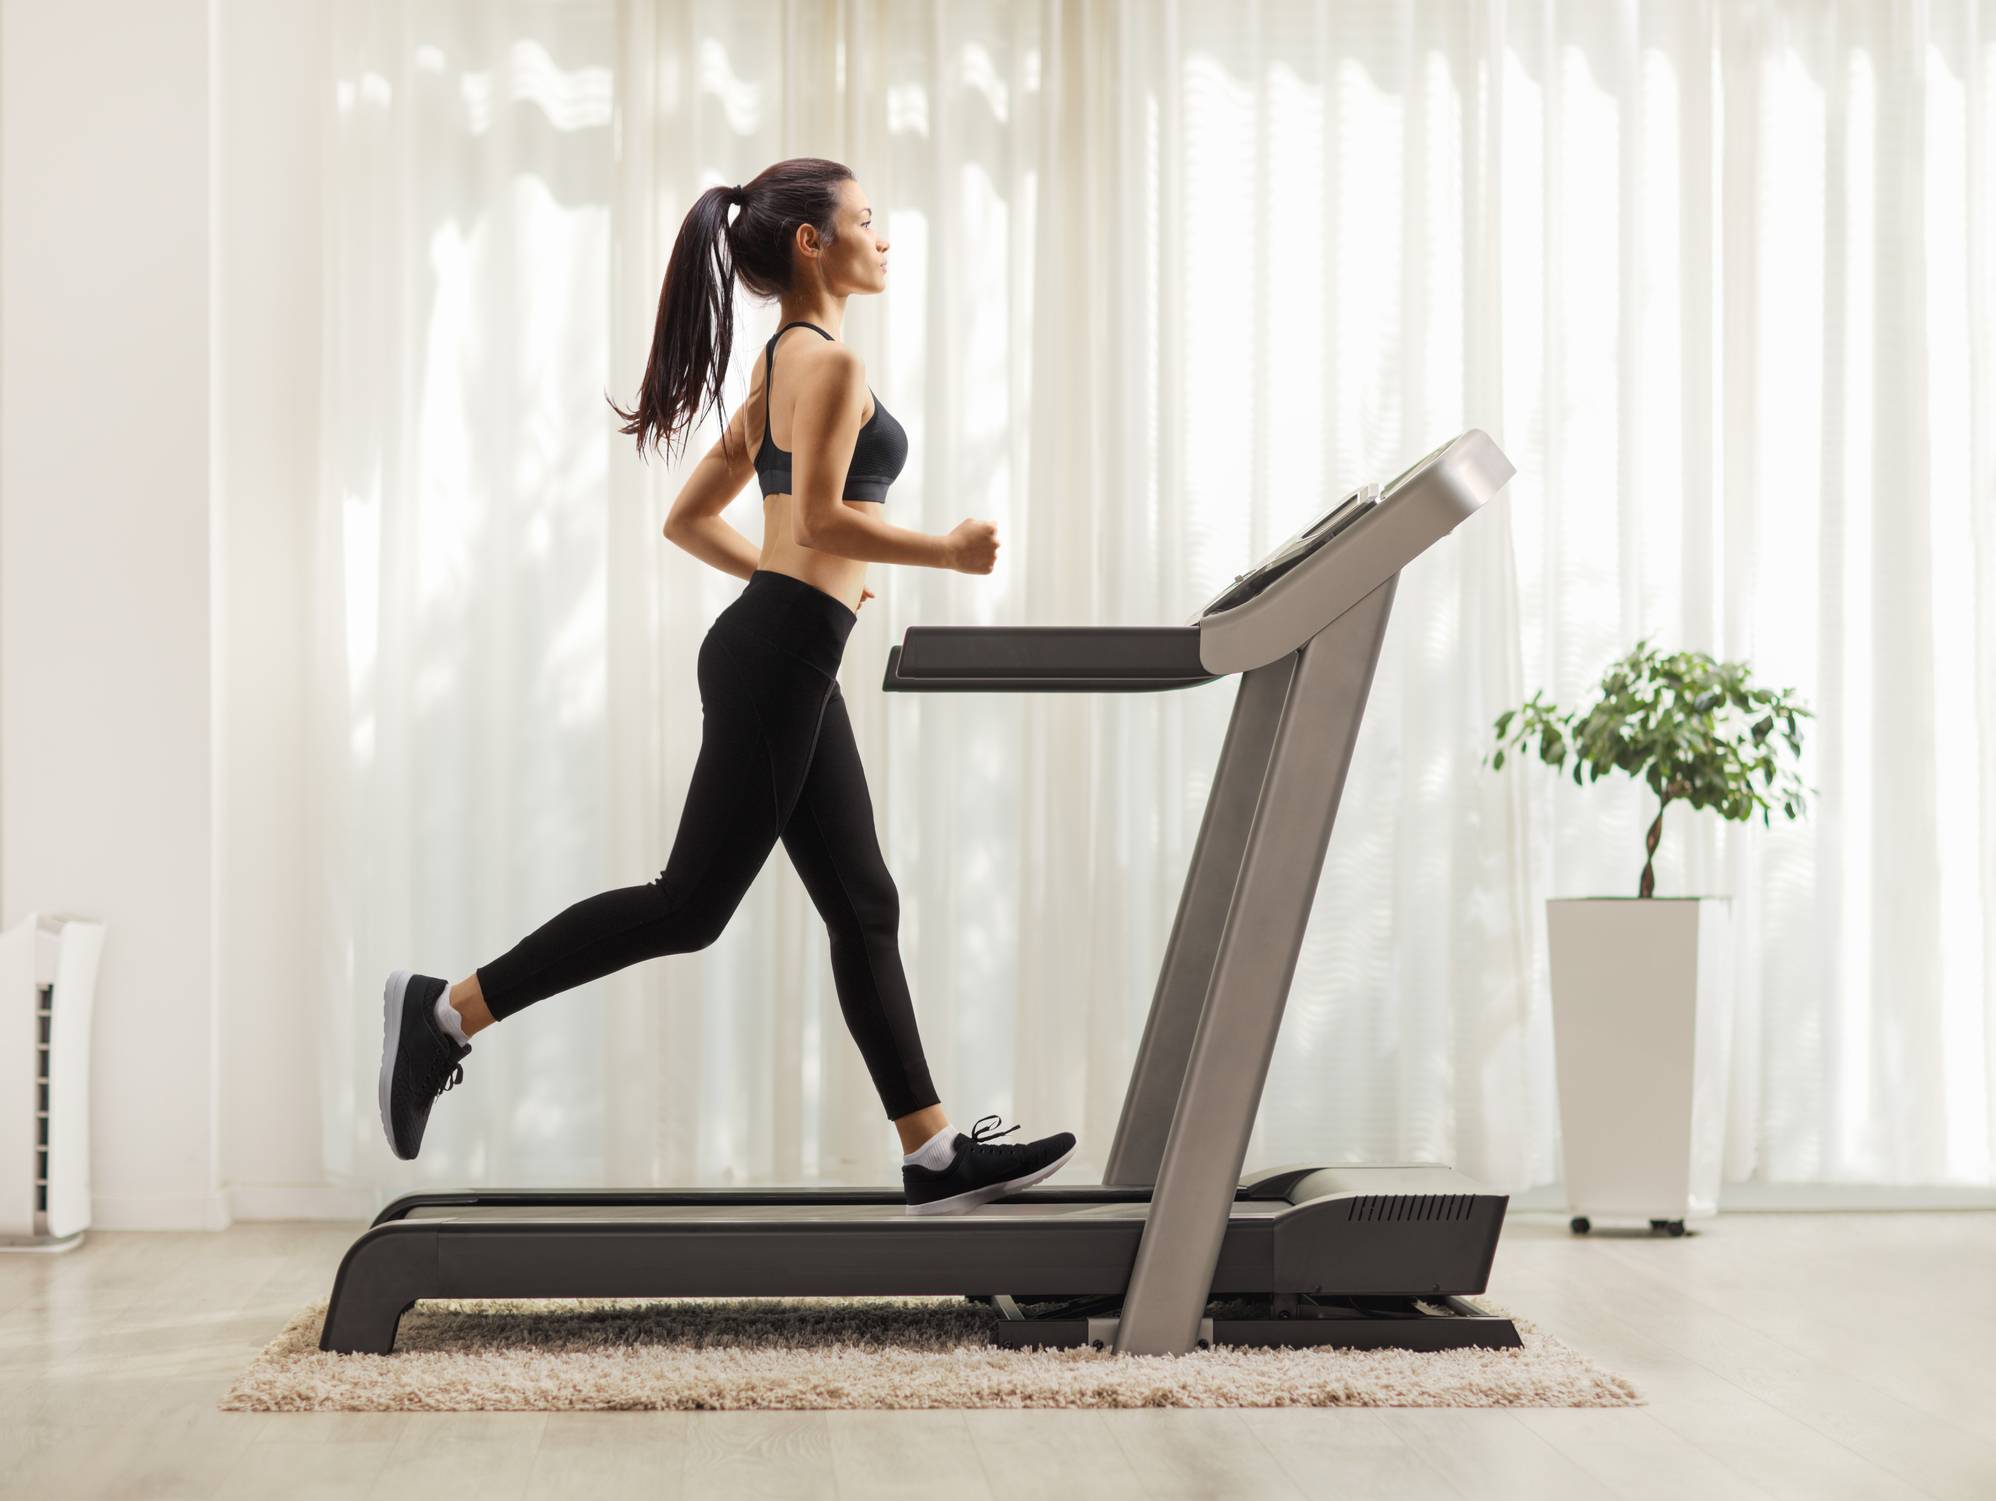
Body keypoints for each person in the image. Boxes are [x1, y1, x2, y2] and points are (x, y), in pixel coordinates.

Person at [379, 157, 1075, 1215]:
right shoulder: (826, 367)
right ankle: (443, 1015)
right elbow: (829, 521)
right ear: (812, 241)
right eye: (866, 221)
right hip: (781, 653)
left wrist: (809, 583)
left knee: (863, 901)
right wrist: (944, 548)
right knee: (690, 906)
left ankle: (932, 1155)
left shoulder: (776, 366)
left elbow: (696, 519)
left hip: (786, 644)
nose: (882, 240)